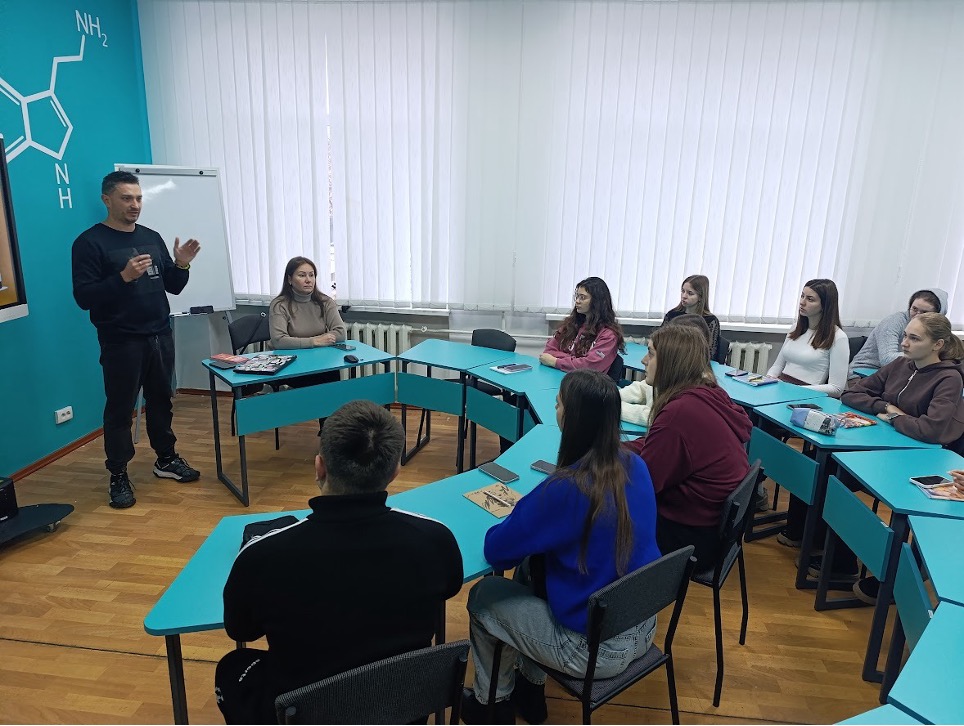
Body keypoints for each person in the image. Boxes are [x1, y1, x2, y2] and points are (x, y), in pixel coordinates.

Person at [215, 400, 463, 724]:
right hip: (400, 706)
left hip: (307, 711)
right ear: (395, 472)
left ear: (320, 467)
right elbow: (450, 587)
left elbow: (241, 629)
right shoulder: (436, 539)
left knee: (232, 667)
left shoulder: (260, 556)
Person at [461, 370, 661, 725]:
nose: (555, 407)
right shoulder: (636, 464)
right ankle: (530, 690)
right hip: (642, 626)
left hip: (595, 649)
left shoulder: (568, 489)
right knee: (534, 566)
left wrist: (529, 509)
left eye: (558, 403)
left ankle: (492, 705)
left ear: (571, 418)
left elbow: (496, 550)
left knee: (484, 595)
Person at [71, 171, 201, 510]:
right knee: (120, 410)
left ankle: (166, 459)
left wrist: (182, 265)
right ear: (107, 200)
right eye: (126, 198)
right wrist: (124, 277)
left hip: (159, 334)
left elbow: (172, 286)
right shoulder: (89, 243)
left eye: (139, 198)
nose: (135, 204)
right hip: (121, 341)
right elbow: (84, 297)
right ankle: (117, 474)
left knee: (161, 401)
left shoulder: (151, 237)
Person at [839, 312, 964, 603]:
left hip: (930, 461)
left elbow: (931, 430)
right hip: (891, 452)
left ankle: (901, 579)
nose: (904, 343)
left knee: (910, 514)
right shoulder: (900, 364)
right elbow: (851, 394)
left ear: (937, 345)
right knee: (838, 478)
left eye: (914, 338)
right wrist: (886, 407)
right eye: (905, 335)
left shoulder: (949, 378)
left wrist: (894, 418)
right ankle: (841, 560)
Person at [623, 325, 752, 569]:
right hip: (710, 527)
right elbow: (658, 445)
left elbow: (645, 484)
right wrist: (616, 448)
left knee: (598, 515)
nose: (643, 360)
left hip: (690, 540)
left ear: (670, 361)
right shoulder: (707, 392)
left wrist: (601, 465)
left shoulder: (678, 414)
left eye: (651, 353)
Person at [619, 314, 712, 426]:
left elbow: (657, 416)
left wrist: (613, 407)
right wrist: (612, 398)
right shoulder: (670, 375)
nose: (643, 361)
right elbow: (644, 388)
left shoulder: (690, 395)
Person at [766, 278, 849, 398]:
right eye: (802, 296)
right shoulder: (795, 328)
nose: (802, 302)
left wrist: (792, 389)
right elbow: (778, 366)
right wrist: (770, 379)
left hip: (806, 396)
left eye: (810, 299)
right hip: (782, 389)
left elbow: (836, 388)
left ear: (825, 305)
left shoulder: (838, 337)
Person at [848, 288, 947, 379]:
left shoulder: (937, 329)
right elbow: (886, 359)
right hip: (862, 374)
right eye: (914, 309)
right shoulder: (893, 322)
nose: (917, 315)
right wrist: (922, 355)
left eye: (924, 312)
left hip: (899, 375)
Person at [539, 276, 625, 373]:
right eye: (577, 296)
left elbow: (589, 367)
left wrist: (556, 362)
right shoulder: (571, 323)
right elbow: (548, 352)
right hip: (561, 374)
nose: (577, 301)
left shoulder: (608, 335)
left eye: (582, 297)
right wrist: (574, 361)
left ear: (597, 301)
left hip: (587, 381)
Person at [661, 274, 722, 361]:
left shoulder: (710, 320)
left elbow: (710, 352)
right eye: (683, 291)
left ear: (700, 297)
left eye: (690, 293)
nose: (684, 296)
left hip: (695, 364)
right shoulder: (672, 314)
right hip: (671, 360)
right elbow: (660, 340)